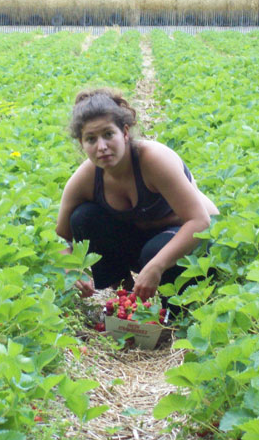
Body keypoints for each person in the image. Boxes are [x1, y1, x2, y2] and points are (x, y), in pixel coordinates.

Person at [56, 88, 218, 302]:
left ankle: (180, 311)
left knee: (154, 252)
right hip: (148, 239)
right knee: (83, 217)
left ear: (124, 132)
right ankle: (126, 296)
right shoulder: (85, 178)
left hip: (197, 237)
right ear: (82, 144)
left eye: (108, 134)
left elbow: (200, 222)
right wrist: (70, 269)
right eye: (91, 139)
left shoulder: (153, 160)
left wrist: (156, 265)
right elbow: (59, 238)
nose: (101, 147)